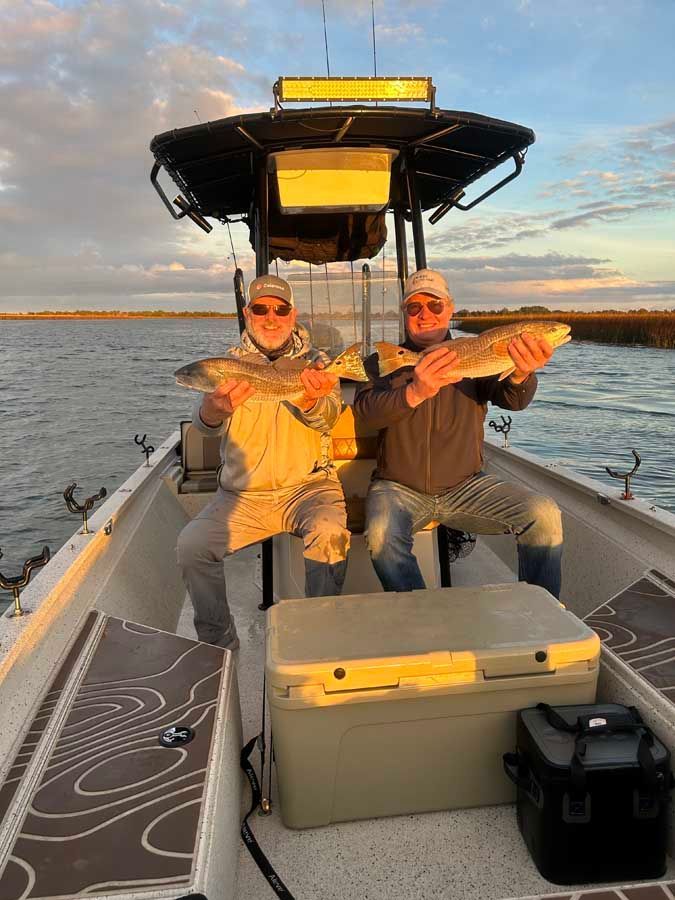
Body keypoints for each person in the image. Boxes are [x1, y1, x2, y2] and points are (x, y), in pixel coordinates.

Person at [354, 268, 563, 598]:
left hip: (465, 485)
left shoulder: (478, 351)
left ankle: (545, 614)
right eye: (415, 307)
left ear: (450, 309)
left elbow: (512, 399)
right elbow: (366, 413)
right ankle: (423, 615)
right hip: (398, 486)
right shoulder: (387, 361)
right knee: (381, 534)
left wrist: (521, 373)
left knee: (544, 514)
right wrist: (415, 392)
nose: (425, 314)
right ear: (404, 314)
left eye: (435, 306)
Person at [177, 274, 349, 650]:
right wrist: (210, 410)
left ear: (292, 314)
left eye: (280, 309)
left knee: (329, 533)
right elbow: (203, 427)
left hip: (308, 489)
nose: (271, 317)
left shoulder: (317, 364)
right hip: (244, 496)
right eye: (260, 309)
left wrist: (310, 399)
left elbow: (329, 417)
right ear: (247, 313)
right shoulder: (227, 364)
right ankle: (219, 644)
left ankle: (321, 637)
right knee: (191, 545)